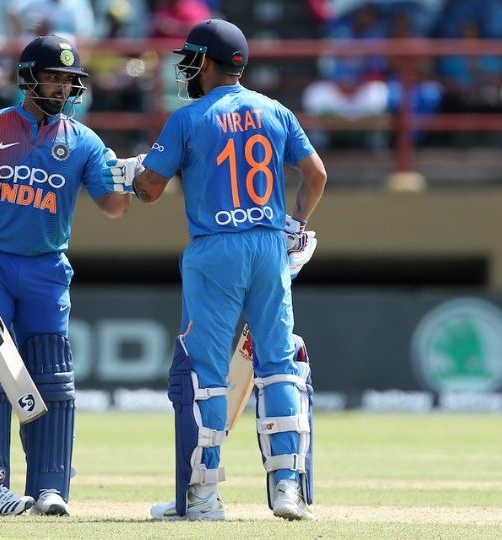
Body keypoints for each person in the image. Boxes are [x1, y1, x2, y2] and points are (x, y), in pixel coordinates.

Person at [102, 19, 327, 521]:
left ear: (205, 62)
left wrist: (132, 174)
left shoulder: (188, 118)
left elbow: (151, 189)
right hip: (269, 245)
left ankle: (203, 497)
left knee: (204, 373)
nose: (186, 69)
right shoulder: (275, 110)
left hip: (215, 249)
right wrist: (295, 224)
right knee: (277, 364)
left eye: (190, 60)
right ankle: (287, 489)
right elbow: (316, 174)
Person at [0, 34, 131, 516]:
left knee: (52, 376)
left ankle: (50, 488)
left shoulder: (84, 141)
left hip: (47, 266)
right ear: (28, 78)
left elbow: (113, 207)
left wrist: (126, 182)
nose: (61, 88)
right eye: (53, 77)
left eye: (68, 80)